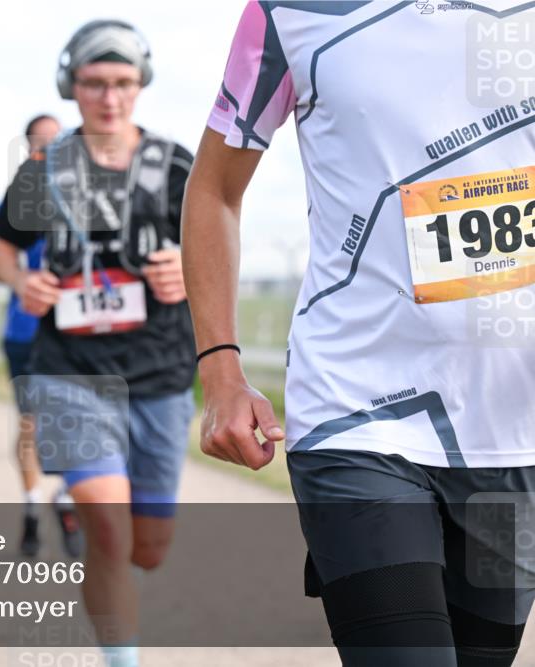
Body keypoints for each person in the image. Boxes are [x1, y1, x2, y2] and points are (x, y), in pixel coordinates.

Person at [183, 3, 535, 666]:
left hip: (511, 428)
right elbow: (214, 188)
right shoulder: (286, 13)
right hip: (356, 409)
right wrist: (221, 370)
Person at [0, 20, 196, 666]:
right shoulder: (46, 169)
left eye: (124, 83)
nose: (110, 97)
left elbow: (218, 245)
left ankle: (114, 594)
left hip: (160, 371)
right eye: (95, 83)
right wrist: (24, 279)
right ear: (71, 86)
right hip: (69, 372)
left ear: (142, 86)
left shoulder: (173, 165)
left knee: (147, 546)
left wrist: (188, 265)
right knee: (107, 526)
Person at [0, 113, 84, 559]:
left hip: (80, 331)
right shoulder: (17, 201)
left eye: (57, 139)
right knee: (31, 424)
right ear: (28, 150)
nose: (50, 147)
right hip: (27, 331)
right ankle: (31, 506)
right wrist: (25, 280)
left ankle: (64, 496)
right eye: (41, 142)